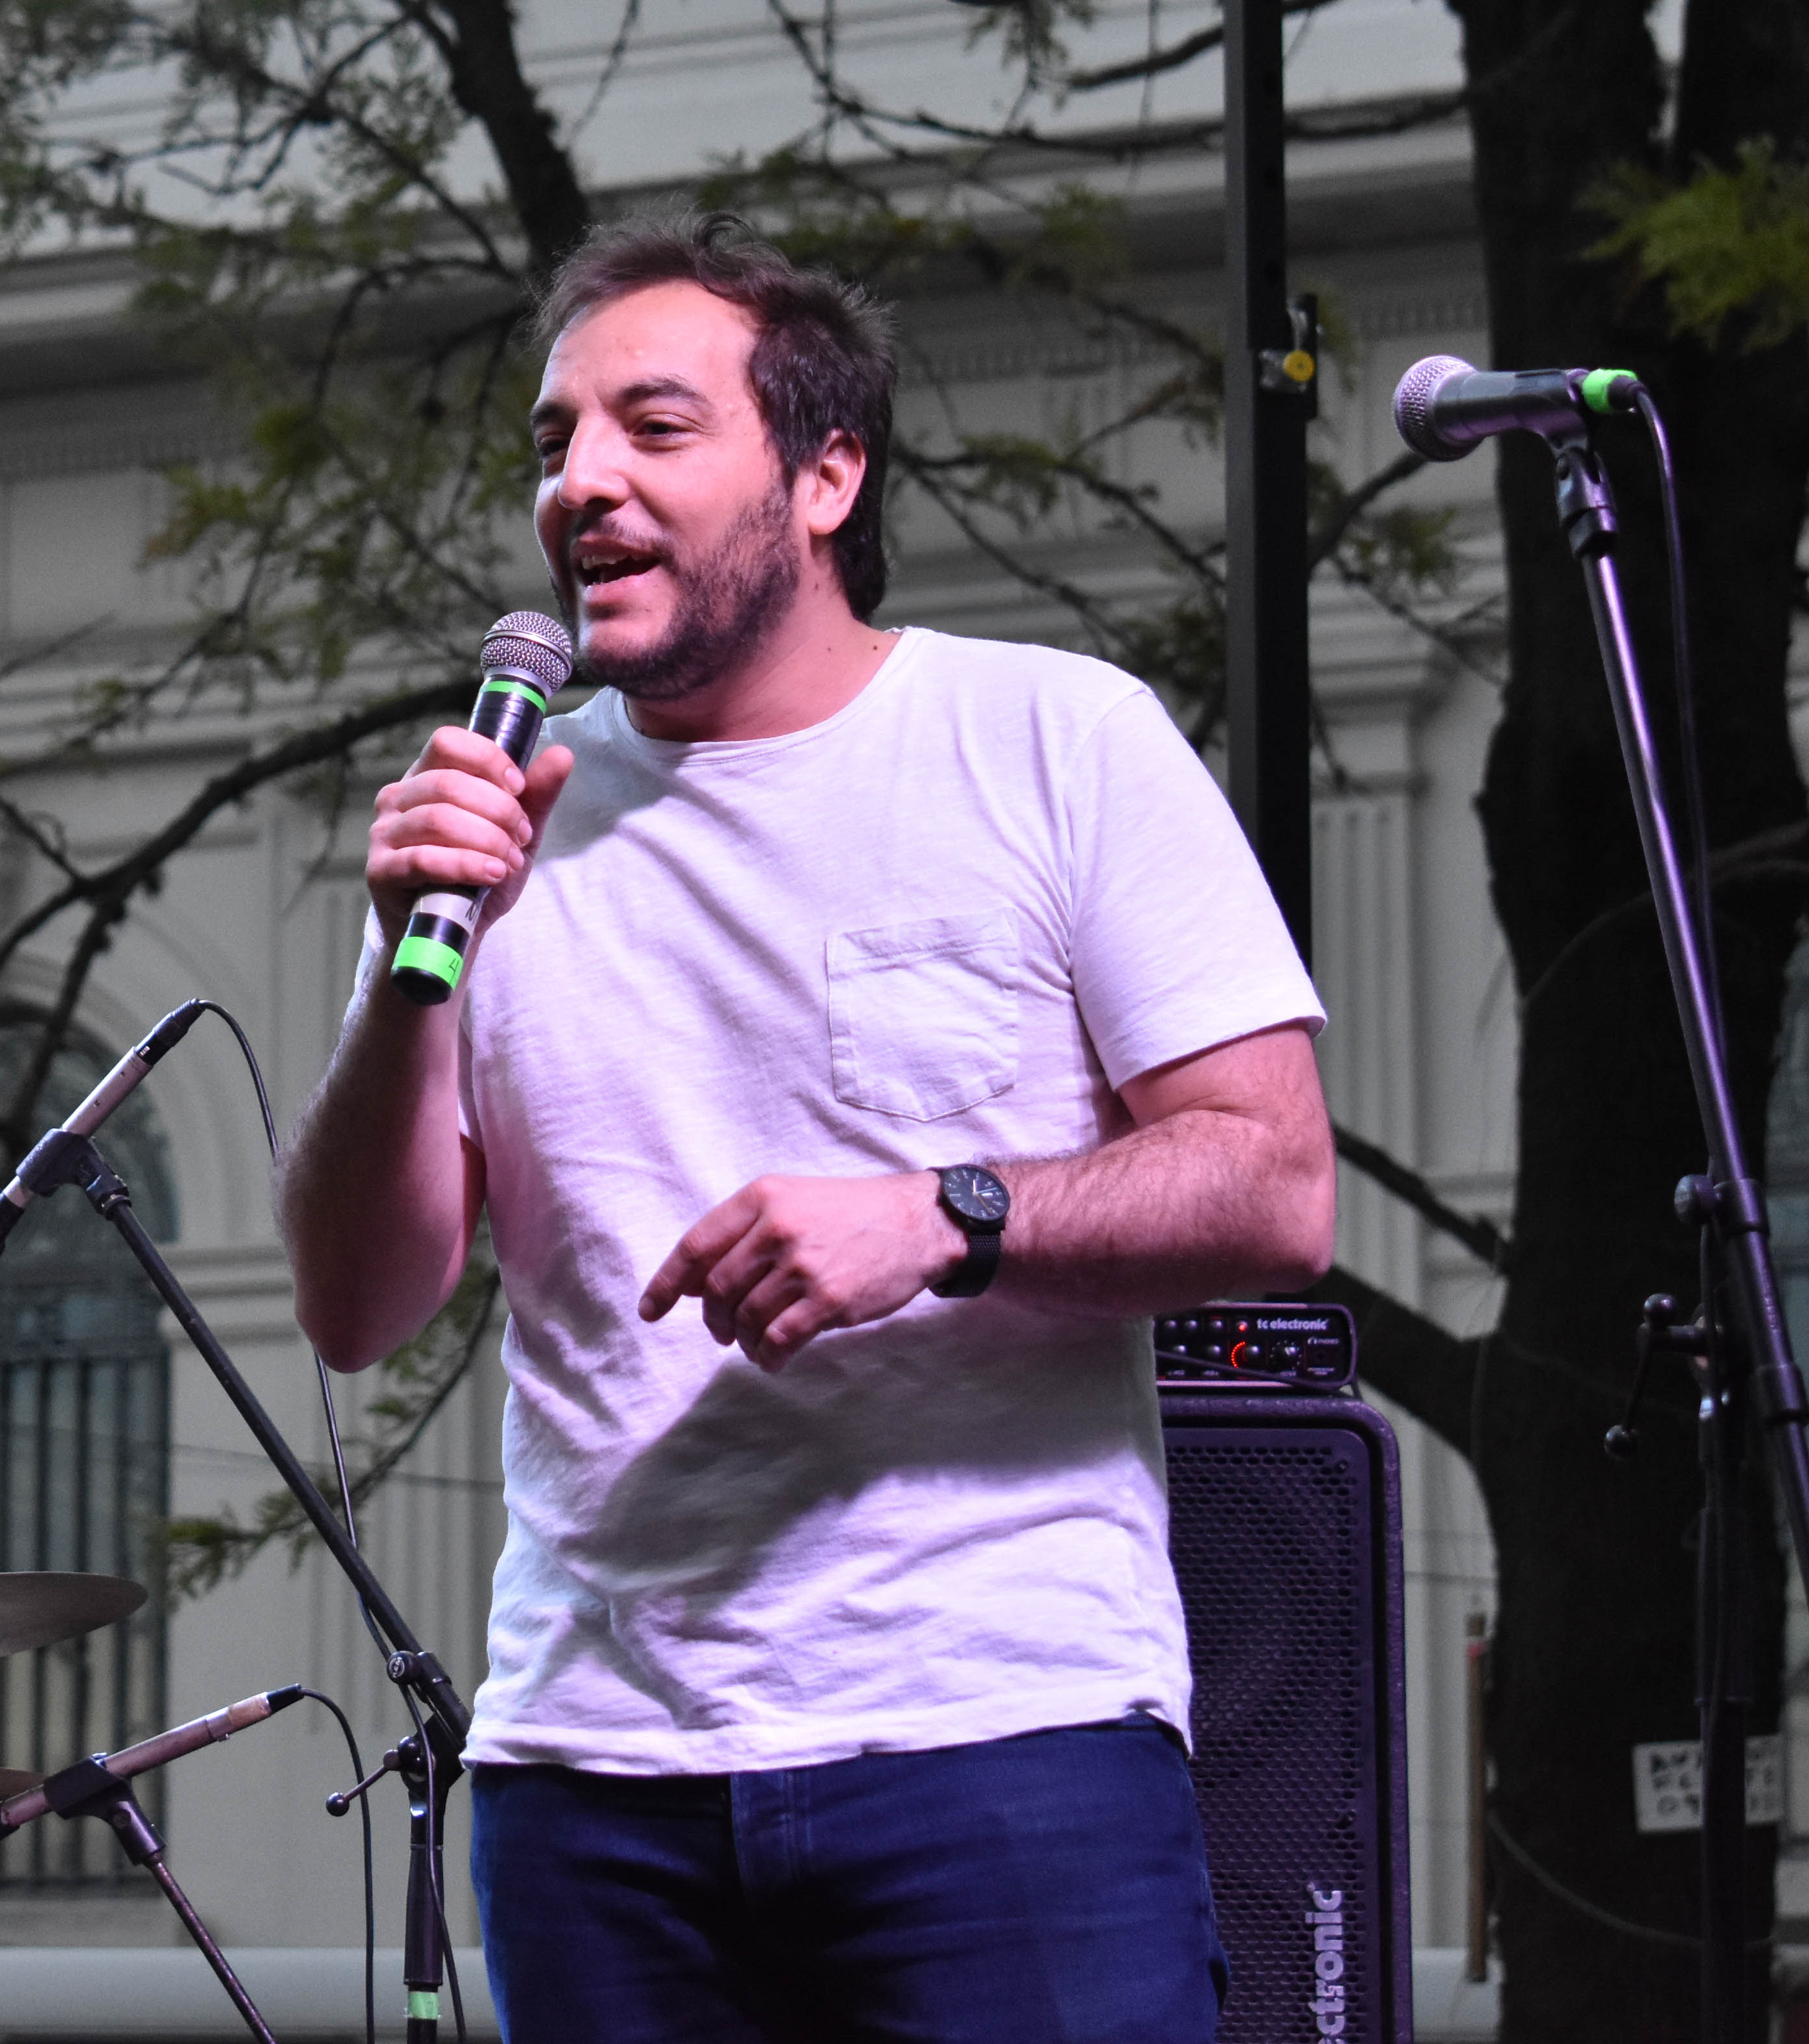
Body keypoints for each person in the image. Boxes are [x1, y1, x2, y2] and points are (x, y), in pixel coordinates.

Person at [278, 212, 1335, 2043]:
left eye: (652, 429)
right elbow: (357, 1306)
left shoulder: (1053, 740)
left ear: (826, 470)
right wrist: (409, 972)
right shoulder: (487, 831)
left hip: (998, 1738)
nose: (582, 485)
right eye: (554, 442)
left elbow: (1274, 1180)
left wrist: (944, 1214)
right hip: (592, 1779)